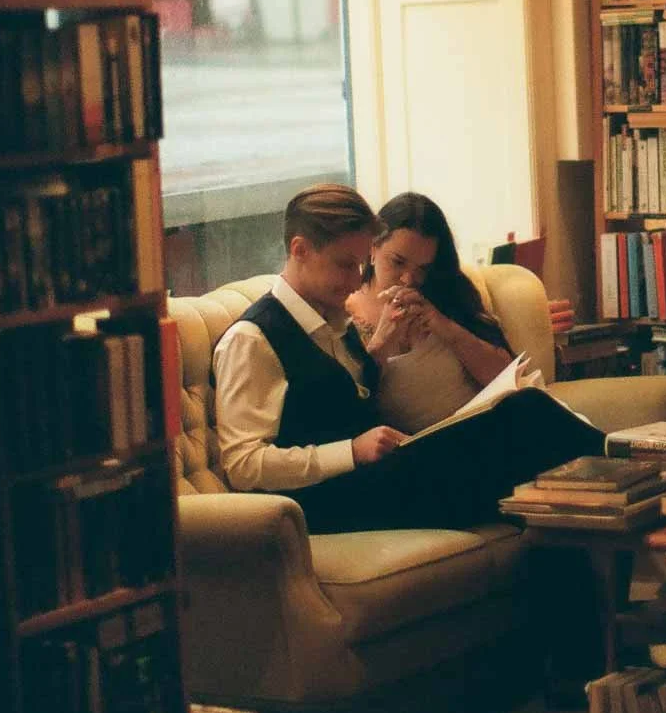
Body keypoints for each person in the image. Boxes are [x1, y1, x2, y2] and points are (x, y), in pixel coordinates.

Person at [213, 182, 600, 534]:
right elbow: (244, 465)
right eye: (346, 265)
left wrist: (379, 353)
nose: (355, 280)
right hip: (329, 503)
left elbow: (347, 399)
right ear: (300, 250)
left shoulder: (332, 321)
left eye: (361, 265)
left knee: (536, 469)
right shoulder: (252, 338)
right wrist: (350, 451)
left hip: (378, 477)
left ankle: (621, 496)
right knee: (525, 418)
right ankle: (636, 467)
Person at [344, 191, 515, 434]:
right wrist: (382, 342)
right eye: (398, 262)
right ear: (372, 248)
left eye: (423, 268)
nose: (408, 279)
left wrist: (445, 328)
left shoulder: (443, 292)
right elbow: (347, 410)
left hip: (489, 427)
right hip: (419, 451)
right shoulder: (344, 314)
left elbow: (508, 379)